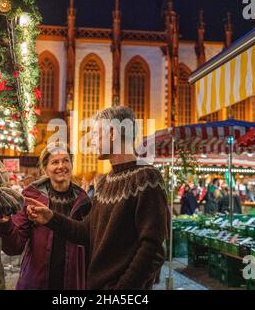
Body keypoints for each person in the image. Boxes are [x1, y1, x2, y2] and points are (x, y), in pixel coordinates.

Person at [27, 106, 170, 290]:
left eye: (96, 134)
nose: (93, 141)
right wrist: (51, 218)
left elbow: (153, 249)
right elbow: (87, 232)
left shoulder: (146, 178)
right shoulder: (104, 182)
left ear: (111, 133)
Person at [0, 142, 91, 290]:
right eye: (55, 162)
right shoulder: (32, 198)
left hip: (72, 283)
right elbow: (14, 247)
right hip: (36, 282)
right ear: (46, 168)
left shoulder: (83, 202)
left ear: (72, 164)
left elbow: (89, 245)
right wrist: (5, 223)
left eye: (66, 160)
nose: (61, 166)